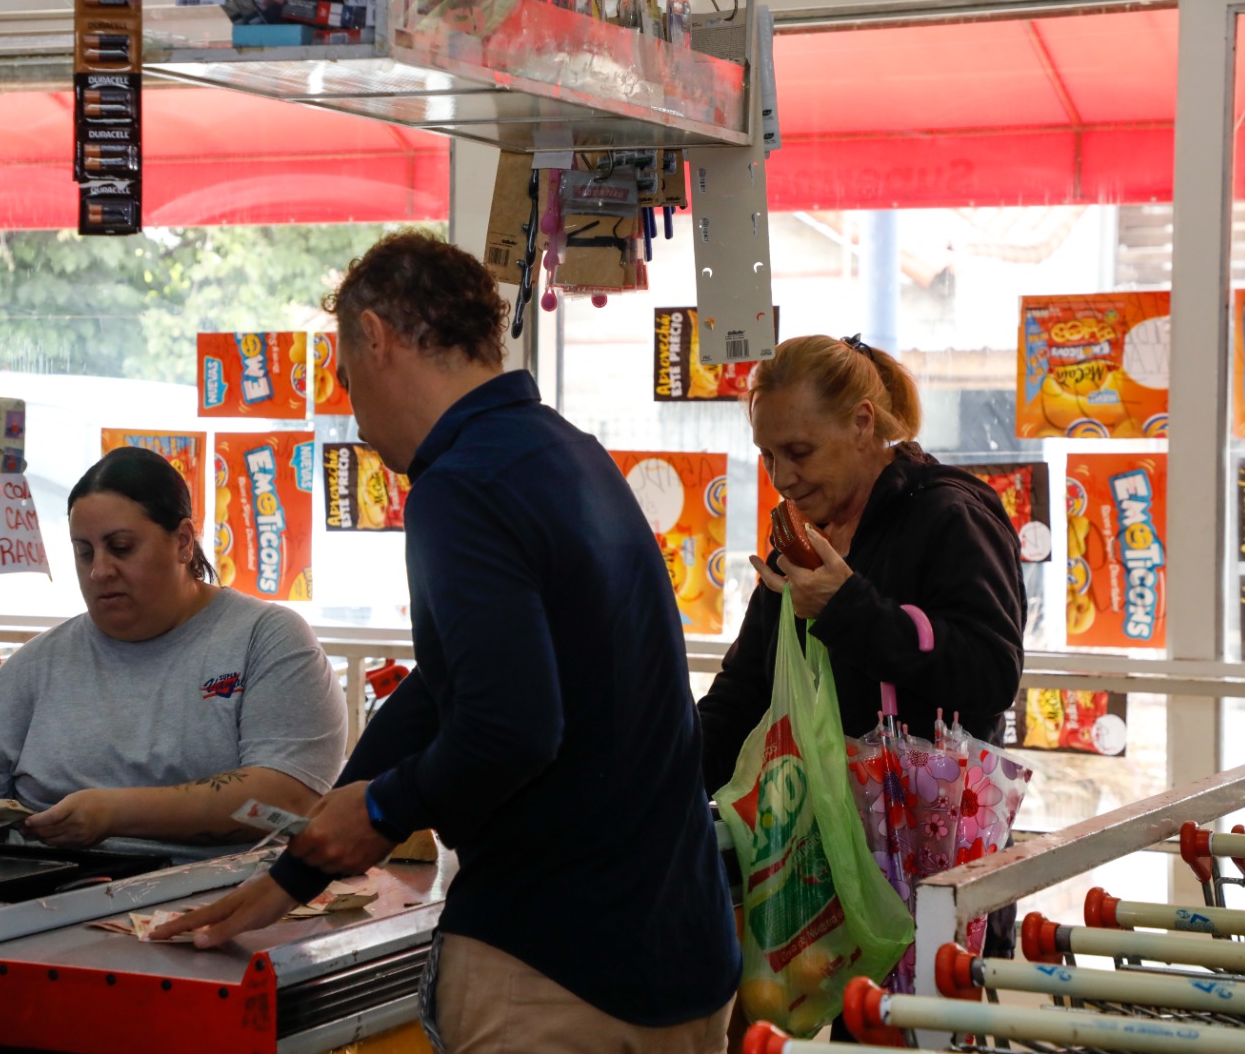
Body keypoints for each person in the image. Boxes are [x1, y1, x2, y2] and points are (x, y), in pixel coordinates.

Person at [156, 231, 740, 1053]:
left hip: (557, 968)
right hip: (684, 952)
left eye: (349, 379)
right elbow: (445, 688)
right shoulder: (571, 455)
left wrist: (387, 807)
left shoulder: (459, 485)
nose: (355, 415)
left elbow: (512, 725)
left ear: (375, 338)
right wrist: (303, 864)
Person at [698, 334, 1025, 1043]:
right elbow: (742, 696)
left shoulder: (951, 516)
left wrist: (852, 612)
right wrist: (653, 778)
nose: (782, 476)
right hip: (827, 889)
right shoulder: (802, 538)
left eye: (800, 452)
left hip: (930, 889)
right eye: (768, 455)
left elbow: (990, 676)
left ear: (863, 422)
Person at [0, 446, 347, 851]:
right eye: (84, 552)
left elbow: (284, 803)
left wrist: (114, 814)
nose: (100, 571)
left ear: (182, 541)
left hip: (220, 901)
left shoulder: (266, 639)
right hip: (42, 903)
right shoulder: (38, 666)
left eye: (122, 547)